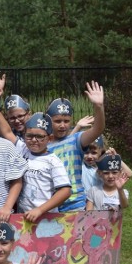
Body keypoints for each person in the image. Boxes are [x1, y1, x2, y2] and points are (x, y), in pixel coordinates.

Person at [46, 82, 106, 211]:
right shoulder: (44, 145)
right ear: (49, 120)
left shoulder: (76, 140)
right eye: (57, 121)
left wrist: (98, 107)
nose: (62, 125)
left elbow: (98, 129)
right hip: (51, 205)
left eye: (66, 121)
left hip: (75, 204)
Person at [17, 113, 72, 223]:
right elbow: (7, 132)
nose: (33, 140)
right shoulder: (24, 150)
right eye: (29, 136)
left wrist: (40, 210)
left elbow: (65, 191)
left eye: (40, 137)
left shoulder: (53, 161)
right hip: (22, 216)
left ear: (50, 138)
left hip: (46, 218)